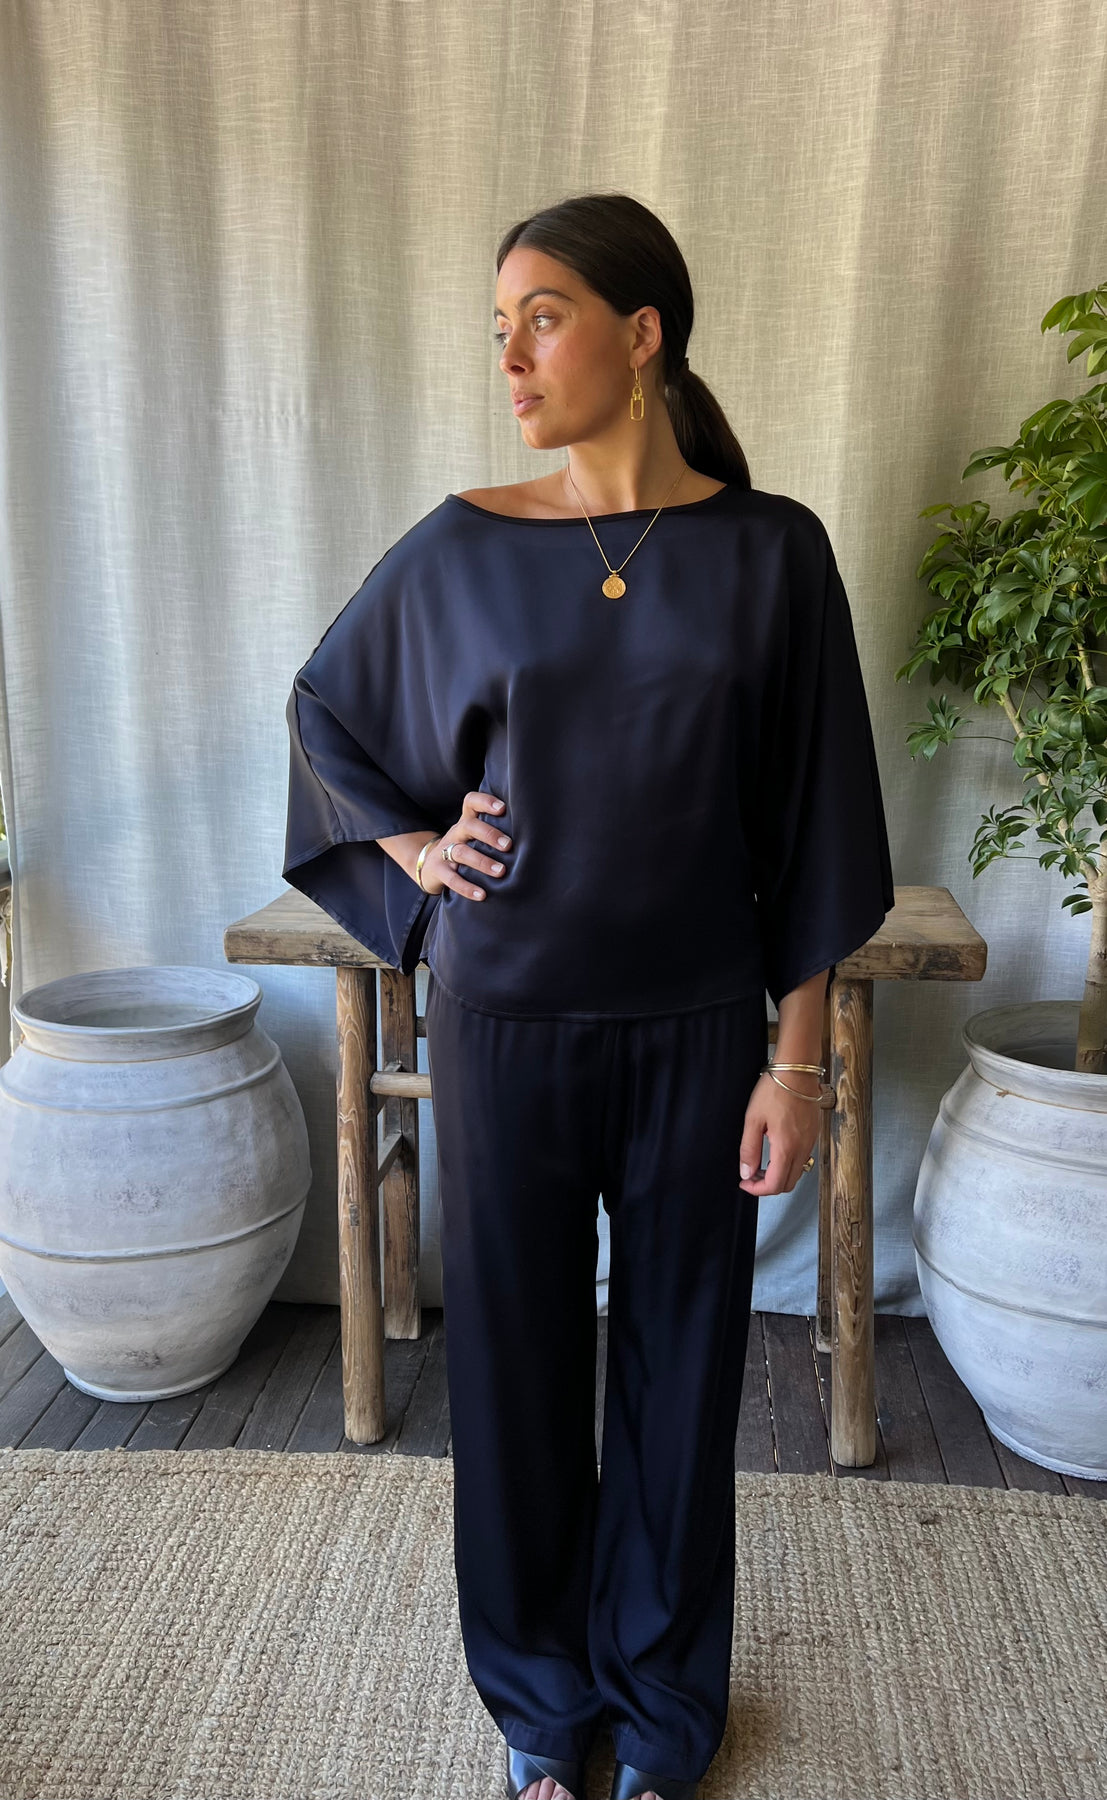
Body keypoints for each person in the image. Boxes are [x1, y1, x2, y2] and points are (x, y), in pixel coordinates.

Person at [283, 192, 895, 1800]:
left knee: (684, 1376)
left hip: (701, 1034)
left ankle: (666, 1703)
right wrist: (413, 849)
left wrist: (798, 1065)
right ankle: (543, 1710)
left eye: (540, 319)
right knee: (514, 1373)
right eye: (497, 330)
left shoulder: (773, 554)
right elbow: (326, 710)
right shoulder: (464, 544)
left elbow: (818, 827)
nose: (511, 358)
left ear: (642, 334)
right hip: (505, 1026)